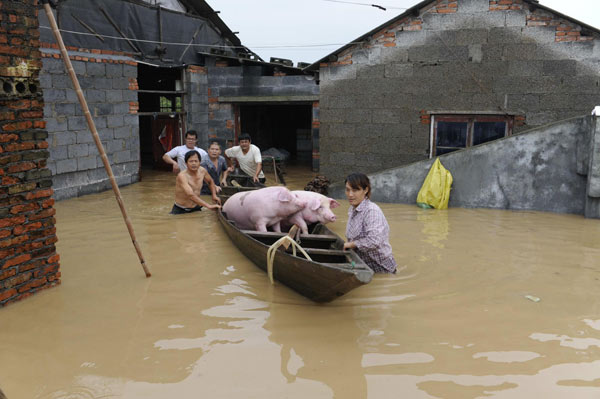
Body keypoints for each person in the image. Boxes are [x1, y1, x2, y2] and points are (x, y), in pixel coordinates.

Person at [343, 173, 397, 273]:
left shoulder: (371, 211)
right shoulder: (352, 209)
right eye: (347, 190)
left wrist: (352, 244)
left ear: (366, 190)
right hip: (365, 266)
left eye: (355, 190)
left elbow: (374, 240)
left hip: (382, 268)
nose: (350, 194)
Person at [170, 150, 221, 215]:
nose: (194, 163)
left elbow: (210, 181)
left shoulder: (202, 171)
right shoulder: (182, 176)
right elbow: (190, 195)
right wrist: (208, 206)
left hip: (196, 207)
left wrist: (214, 195)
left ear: (200, 162)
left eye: (196, 161)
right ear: (186, 163)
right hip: (181, 209)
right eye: (191, 161)